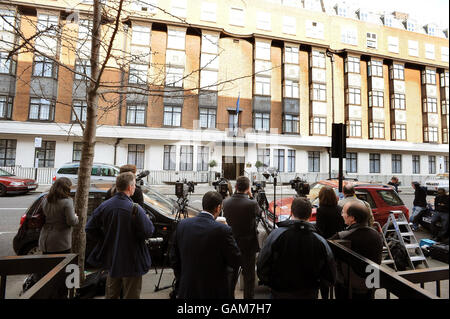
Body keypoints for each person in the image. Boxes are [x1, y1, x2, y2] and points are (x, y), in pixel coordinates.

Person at [86, 172, 154, 299]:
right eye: (134, 185)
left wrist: (104, 239)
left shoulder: (104, 206)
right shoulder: (135, 208)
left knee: (111, 294)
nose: (135, 188)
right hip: (132, 260)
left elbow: (89, 228)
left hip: (112, 259)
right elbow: (149, 231)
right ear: (129, 187)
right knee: (131, 294)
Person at [257, 197, 336, 299]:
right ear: (310, 214)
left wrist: (271, 282)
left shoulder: (275, 235)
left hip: (279, 292)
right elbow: (330, 274)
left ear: (291, 212)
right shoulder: (320, 240)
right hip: (309, 293)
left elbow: (262, 263)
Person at [170, 191, 241, 299]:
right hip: (213, 291)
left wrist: (182, 278)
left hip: (187, 288)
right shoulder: (223, 230)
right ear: (218, 208)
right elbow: (235, 260)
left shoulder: (183, 225)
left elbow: (174, 258)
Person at [330, 201, 383, 299]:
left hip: (348, 287)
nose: (342, 215)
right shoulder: (376, 235)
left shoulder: (342, 237)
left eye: (344, 213)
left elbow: (327, 252)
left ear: (352, 218)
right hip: (371, 284)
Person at [223, 176, 261, 299]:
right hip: (248, 247)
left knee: (231, 277)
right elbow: (260, 213)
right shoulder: (252, 203)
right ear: (248, 188)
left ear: (236, 187)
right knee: (249, 278)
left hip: (231, 245)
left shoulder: (226, 202)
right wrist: (251, 196)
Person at [39, 177, 79, 254]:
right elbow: (71, 222)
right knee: (61, 264)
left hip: (45, 239)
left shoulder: (45, 200)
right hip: (60, 241)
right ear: (66, 187)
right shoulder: (67, 202)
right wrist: (76, 217)